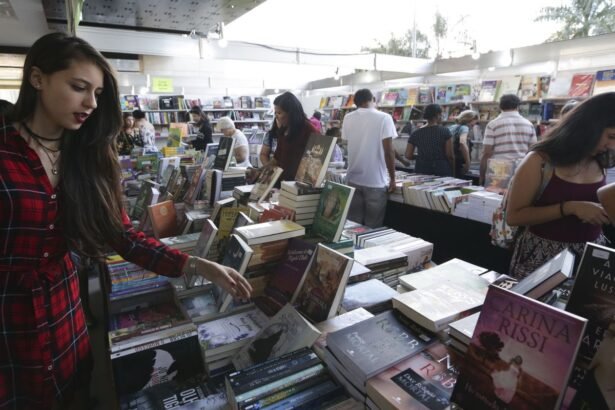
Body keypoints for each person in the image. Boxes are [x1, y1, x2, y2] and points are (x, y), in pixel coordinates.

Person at [0, 32, 251, 409]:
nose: (89, 103)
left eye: (97, 94)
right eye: (78, 87)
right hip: (9, 322)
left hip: (64, 317)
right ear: (37, 79)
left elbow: (123, 236)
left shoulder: (87, 156)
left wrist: (197, 264)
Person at [506, 92, 615, 279]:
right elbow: (514, 216)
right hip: (543, 260)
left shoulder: (601, 160)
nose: (612, 145)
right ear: (591, 126)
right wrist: (570, 208)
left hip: (590, 258)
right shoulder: (539, 161)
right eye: (610, 136)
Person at [342, 88, 397, 228]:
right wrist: (393, 178)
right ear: (373, 99)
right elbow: (389, 151)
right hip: (375, 181)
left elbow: (347, 142)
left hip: (353, 178)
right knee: (372, 228)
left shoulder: (348, 118)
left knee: (353, 226)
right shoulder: (384, 118)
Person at [258, 92, 317, 182]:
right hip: (282, 182)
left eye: (279, 112)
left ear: (291, 113)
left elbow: (316, 158)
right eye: (275, 113)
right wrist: (261, 170)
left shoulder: (308, 130)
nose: (276, 116)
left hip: (299, 184)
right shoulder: (283, 130)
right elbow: (276, 158)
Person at [480, 94, 537, 184]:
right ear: (518, 106)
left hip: (499, 169)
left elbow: (487, 153)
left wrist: (482, 175)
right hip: (521, 168)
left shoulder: (492, 125)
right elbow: (532, 151)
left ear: (500, 106)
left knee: (496, 196)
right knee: (518, 196)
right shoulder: (529, 124)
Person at [405, 104, 454, 176]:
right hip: (441, 169)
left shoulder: (416, 133)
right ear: (437, 115)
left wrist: (421, 156)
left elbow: (408, 155)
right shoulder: (445, 131)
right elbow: (449, 155)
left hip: (421, 169)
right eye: (441, 114)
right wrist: (453, 170)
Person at [449, 110, 478, 177]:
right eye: (473, 124)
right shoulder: (464, 128)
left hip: (451, 161)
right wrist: (468, 163)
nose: (473, 126)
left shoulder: (452, 127)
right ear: (470, 119)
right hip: (459, 162)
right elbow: (462, 143)